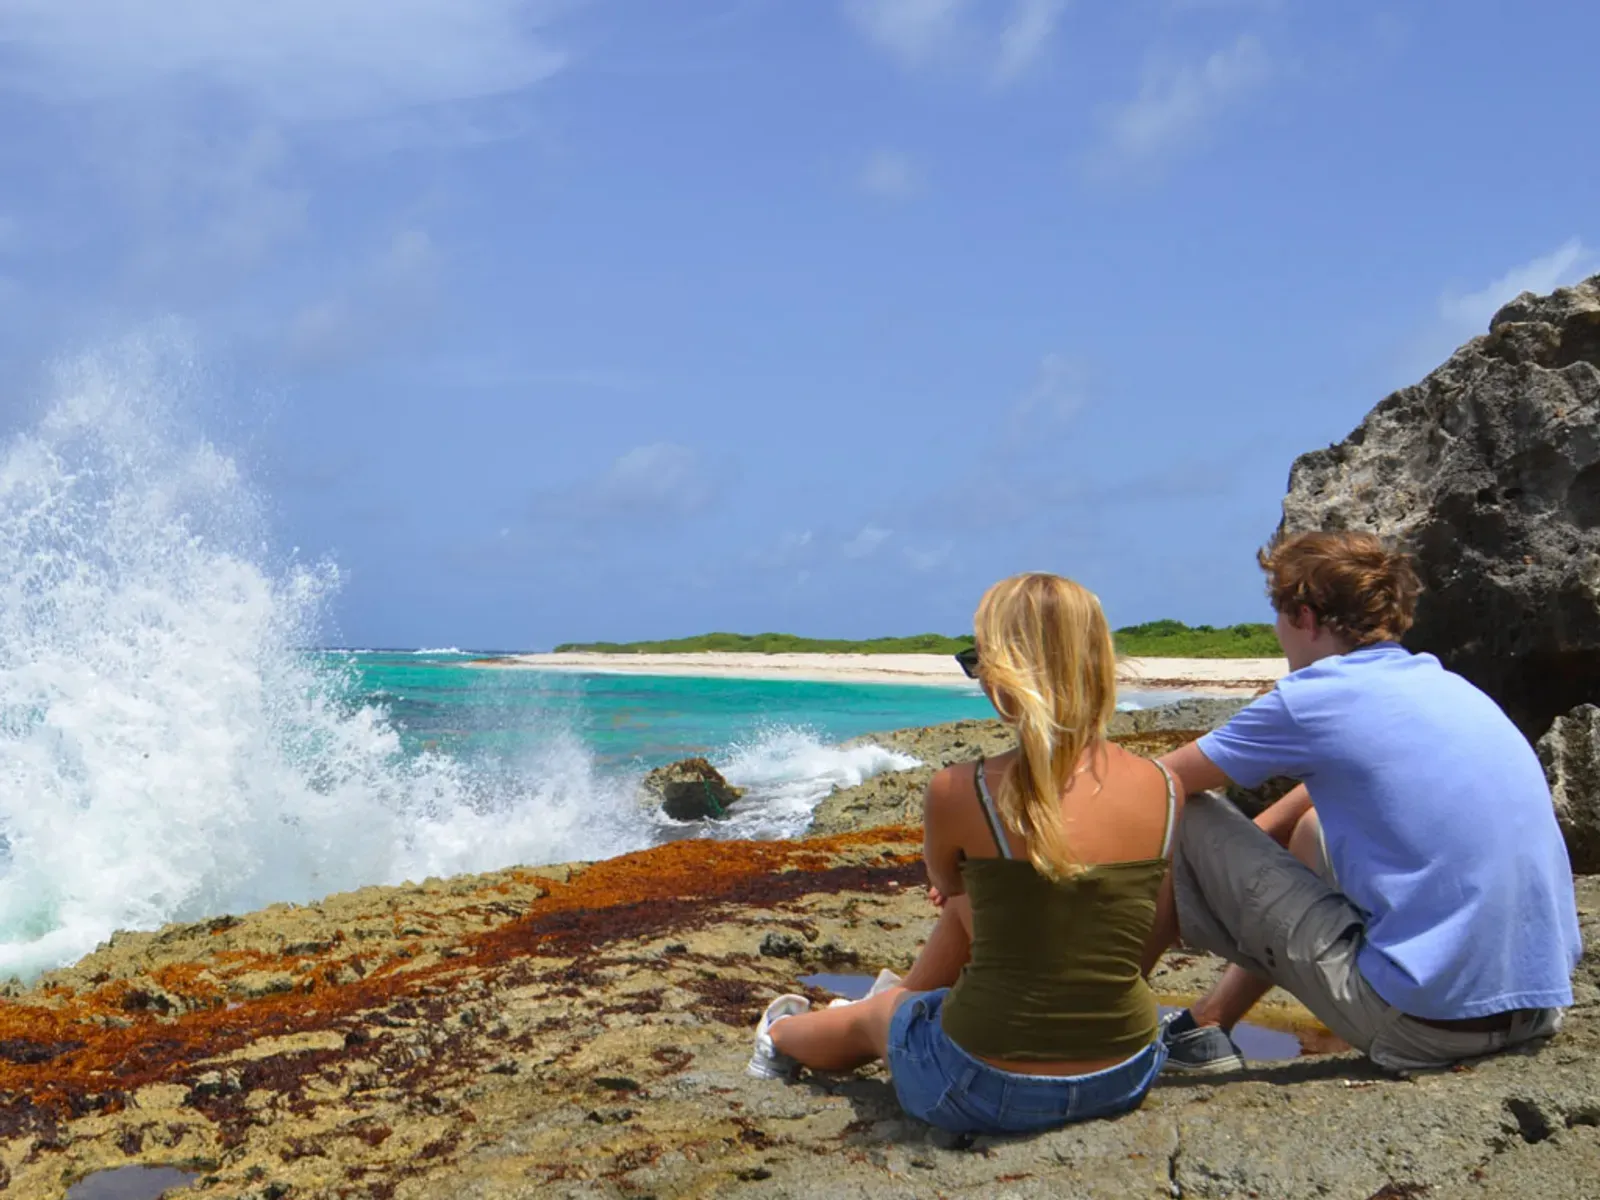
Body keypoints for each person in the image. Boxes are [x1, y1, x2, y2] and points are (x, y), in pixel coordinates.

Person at [747, 572, 1175, 1135]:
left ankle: (778, 1037)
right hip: (1125, 1071)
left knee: (879, 1019)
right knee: (985, 908)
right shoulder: (1164, 786)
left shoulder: (962, 788)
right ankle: (901, 998)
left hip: (985, 1084)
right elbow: (1148, 922)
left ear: (1005, 676)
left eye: (978, 660)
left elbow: (947, 884)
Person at [1148, 530, 1582, 1075]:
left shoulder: (1312, 698)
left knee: (1184, 811)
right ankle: (1208, 1023)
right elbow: (1353, 779)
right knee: (1313, 831)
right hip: (1535, 1008)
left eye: (1279, 617)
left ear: (1304, 616)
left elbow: (1152, 784)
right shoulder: (1447, 686)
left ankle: (1106, 1036)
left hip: (1424, 1028)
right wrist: (1261, 837)